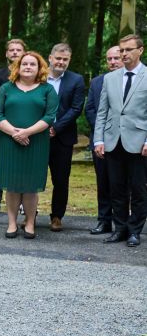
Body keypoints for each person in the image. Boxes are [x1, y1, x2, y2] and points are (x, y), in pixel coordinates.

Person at [0, 51, 58, 239]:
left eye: (32, 64)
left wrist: (27, 132)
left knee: (30, 186)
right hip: (9, 142)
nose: (28, 67)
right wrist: (15, 133)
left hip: (36, 143)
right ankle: (12, 223)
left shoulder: (47, 90)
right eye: (24, 64)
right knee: (12, 185)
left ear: (39, 68)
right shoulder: (6, 88)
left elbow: (49, 116)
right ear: (18, 67)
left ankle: (30, 222)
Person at [94, 34, 147, 247]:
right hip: (113, 141)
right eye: (121, 50)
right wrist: (98, 139)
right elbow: (102, 111)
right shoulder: (110, 78)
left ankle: (135, 231)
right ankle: (120, 229)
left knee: (139, 189)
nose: (124, 54)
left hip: (139, 142)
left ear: (140, 50)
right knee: (116, 189)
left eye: (128, 50)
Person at [45, 43, 86, 231]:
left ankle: (57, 216)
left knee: (61, 180)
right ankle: (30, 214)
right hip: (37, 136)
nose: (61, 62)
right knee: (32, 178)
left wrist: (56, 128)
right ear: (50, 58)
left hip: (63, 138)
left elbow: (76, 108)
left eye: (65, 59)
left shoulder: (76, 80)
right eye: (58, 58)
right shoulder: (38, 77)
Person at [86, 46, 124, 235]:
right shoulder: (97, 82)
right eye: (109, 59)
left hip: (126, 141)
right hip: (101, 141)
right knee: (103, 182)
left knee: (124, 184)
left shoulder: (134, 81)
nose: (113, 62)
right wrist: (103, 132)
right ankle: (104, 221)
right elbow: (90, 109)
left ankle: (123, 223)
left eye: (116, 58)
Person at [0, 39, 26, 212]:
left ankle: (23, 202)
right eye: (11, 50)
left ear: (24, 53)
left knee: (22, 164)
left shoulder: (30, 73)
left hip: (26, 127)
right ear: (7, 54)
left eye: (18, 50)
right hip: (1, 126)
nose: (15, 52)